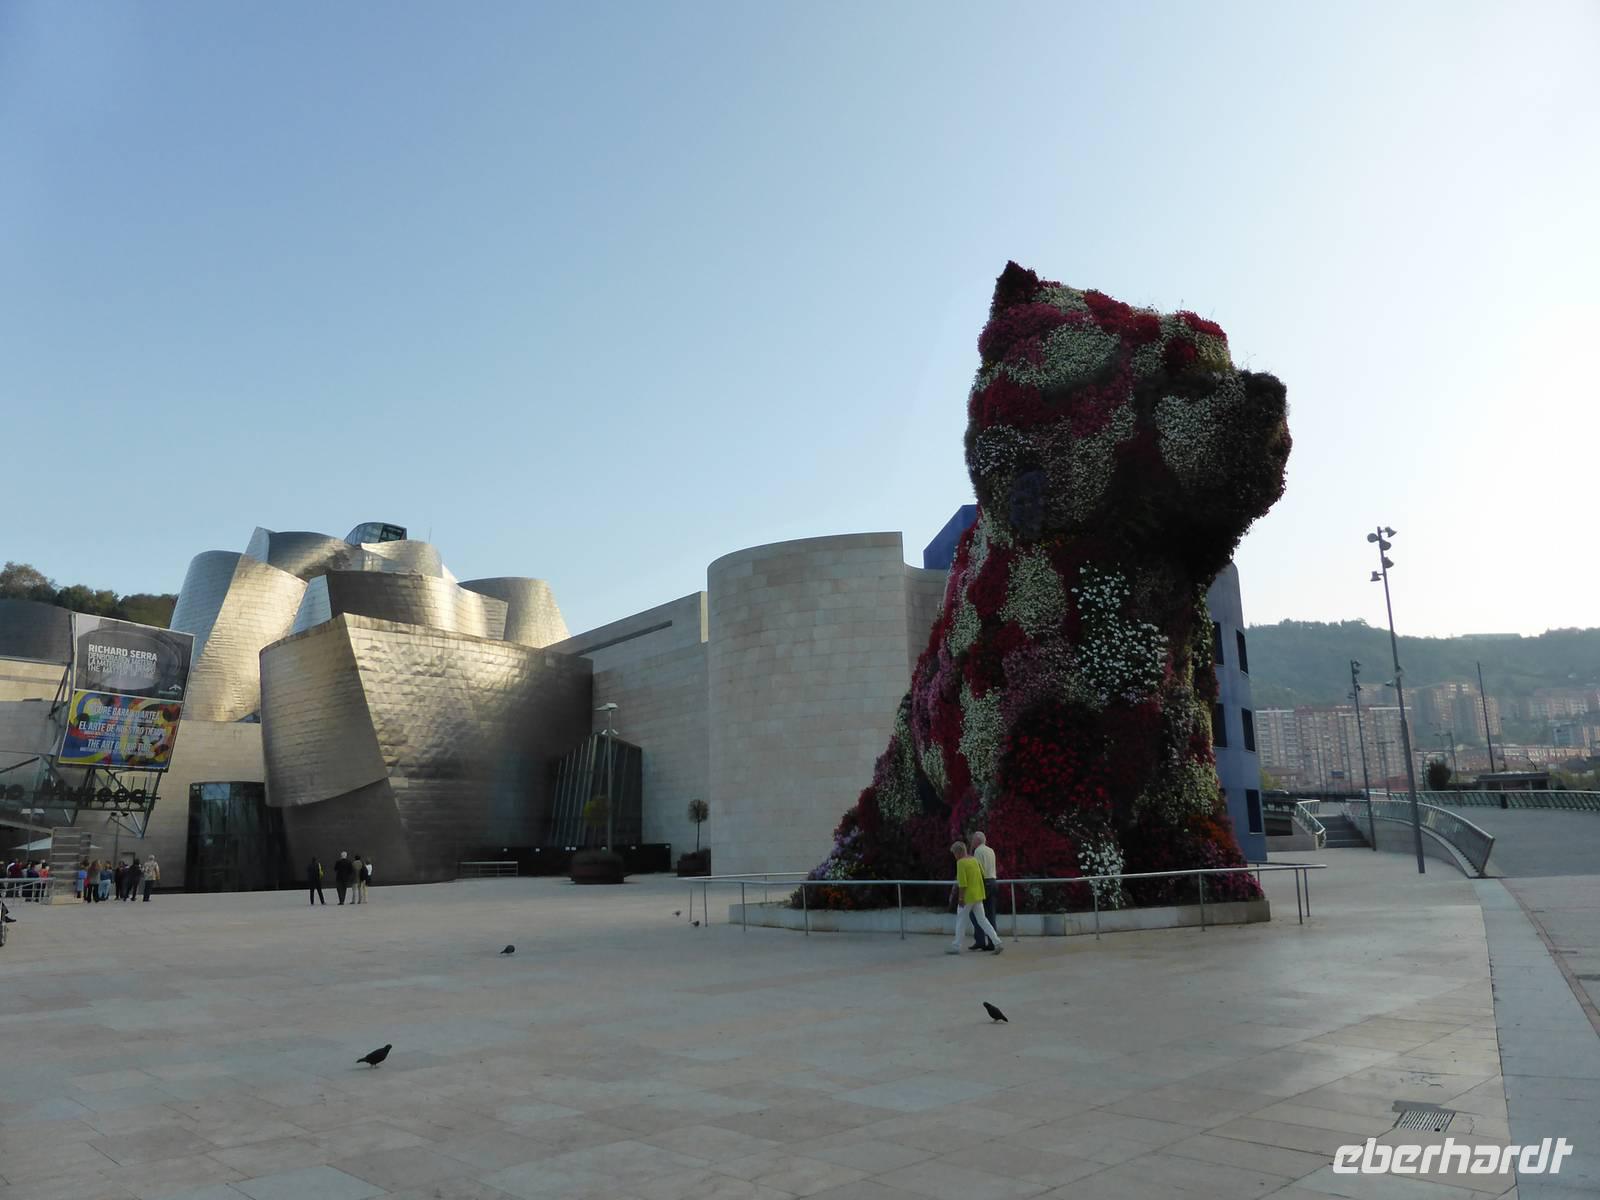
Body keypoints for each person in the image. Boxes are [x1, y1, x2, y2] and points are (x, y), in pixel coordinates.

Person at [947, 841, 1003, 956]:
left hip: (968, 896)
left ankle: (956, 946)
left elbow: (962, 883)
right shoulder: (974, 860)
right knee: (983, 920)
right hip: (978, 894)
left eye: (954, 854)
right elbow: (982, 874)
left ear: (958, 852)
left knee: (961, 921)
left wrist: (961, 898)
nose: (954, 856)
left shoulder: (961, 863)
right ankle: (997, 942)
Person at [968, 831, 1000, 951]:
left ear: (977, 840)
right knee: (990, 913)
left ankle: (980, 940)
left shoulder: (978, 851)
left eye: (972, 840)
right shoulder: (990, 850)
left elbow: (977, 869)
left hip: (984, 882)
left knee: (975, 912)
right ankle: (992, 941)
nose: (971, 842)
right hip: (993, 881)